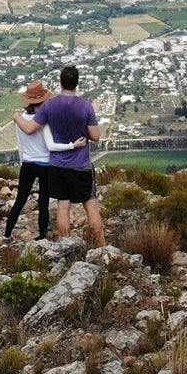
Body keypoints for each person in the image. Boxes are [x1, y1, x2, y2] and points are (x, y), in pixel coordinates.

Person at [32, 63, 105, 247]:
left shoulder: (49, 106)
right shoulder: (85, 107)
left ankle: (66, 247)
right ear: (77, 83)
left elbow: (32, 127)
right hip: (81, 165)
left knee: (63, 207)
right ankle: (102, 249)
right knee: (91, 207)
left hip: (57, 165)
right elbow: (96, 136)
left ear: (61, 82)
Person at [5, 81, 54, 240]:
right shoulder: (45, 119)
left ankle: (7, 233)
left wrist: (22, 161)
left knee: (20, 200)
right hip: (46, 164)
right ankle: (42, 234)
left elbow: (20, 144)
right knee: (43, 202)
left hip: (27, 163)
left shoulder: (20, 118)